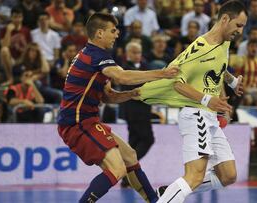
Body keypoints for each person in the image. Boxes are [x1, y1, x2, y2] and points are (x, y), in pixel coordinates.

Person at [56, 13, 179, 203]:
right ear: (99, 33)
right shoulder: (95, 56)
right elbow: (122, 77)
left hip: (87, 121)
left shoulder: (92, 56)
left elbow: (108, 96)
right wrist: (162, 74)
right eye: (113, 31)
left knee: (129, 155)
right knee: (117, 169)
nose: (117, 34)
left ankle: (154, 201)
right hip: (77, 123)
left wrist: (132, 94)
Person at [139, 1, 246, 202]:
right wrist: (208, 100)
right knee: (194, 175)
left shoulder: (225, 41)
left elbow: (218, 67)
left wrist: (231, 81)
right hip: (196, 113)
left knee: (228, 175)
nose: (240, 31)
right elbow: (176, 83)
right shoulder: (200, 47)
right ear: (225, 19)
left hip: (210, 117)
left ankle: (169, 193)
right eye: (238, 25)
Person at [120, 42, 155, 187]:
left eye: (139, 52)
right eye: (134, 52)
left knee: (133, 143)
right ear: (128, 54)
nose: (137, 55)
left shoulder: (145, 68)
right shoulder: (124, 69)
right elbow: (134, 89)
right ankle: (126, 169)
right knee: (147, 140)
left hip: (143, 109)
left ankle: (126, 178)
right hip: (134, 111)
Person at [0, 7, 32, 86]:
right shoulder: (4, 30)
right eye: (15, 17)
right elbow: (4, 46)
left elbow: (28, 48)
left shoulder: (26, 31)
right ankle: (10, 78)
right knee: (4, 50)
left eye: (19, 17)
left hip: (22, 58)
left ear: (22, 18)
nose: (17, 20)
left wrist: (20, 59)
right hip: (8, 59)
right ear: (11, 18)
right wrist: (8, 31)